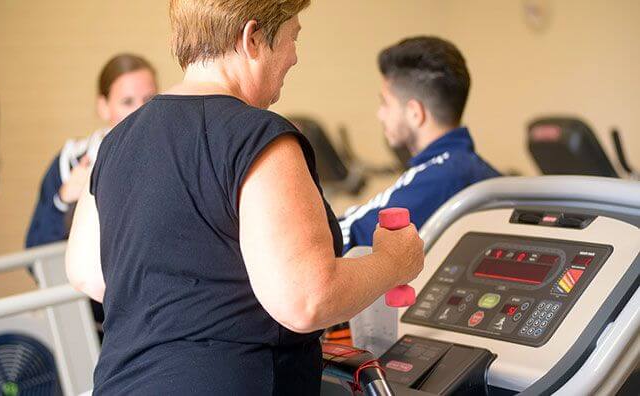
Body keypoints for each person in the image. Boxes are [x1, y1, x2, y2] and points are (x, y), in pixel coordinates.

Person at [65, 1, 424, 395]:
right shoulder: (258, 138)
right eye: (293, 37)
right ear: (252, 38)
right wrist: (393, 262)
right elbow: (307, 299)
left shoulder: (117, 141)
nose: (294, 56)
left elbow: (88, 271)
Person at [339, 36, 500, 253]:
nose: (380, 114)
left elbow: (346, 237)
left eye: (385, 103)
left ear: (415, 113)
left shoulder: (441, 176)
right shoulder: (461, 167)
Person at [25, 54, 158, 248]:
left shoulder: (174, 158)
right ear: (103, 106)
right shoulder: (70, 163)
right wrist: (63, 200)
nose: (140, 111)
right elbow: (35, 253)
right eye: (127, 102)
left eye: (149, 99)